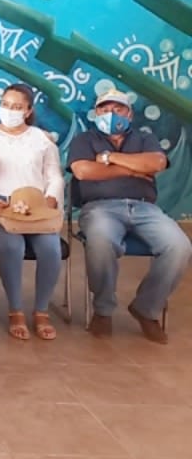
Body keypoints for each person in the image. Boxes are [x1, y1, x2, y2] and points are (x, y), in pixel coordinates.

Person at [68, 86, 191, 344]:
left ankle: (147, 308)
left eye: (118, 108)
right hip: (100, 207)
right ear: (96, 114)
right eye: (104, 109)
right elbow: (83, 171)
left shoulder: (145, 138)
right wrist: (133, 170)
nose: (111, 114)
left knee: (180, 246)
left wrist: (108, 157)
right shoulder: (84, 140)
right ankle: (103, 310)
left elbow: (157, 163)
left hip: (145, 208)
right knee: (101, 239)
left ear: (130, 114)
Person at [0, 83, 64, 340]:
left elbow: (54, 176)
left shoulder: (43, 139)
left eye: (17, 106)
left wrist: (51, 198)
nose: (10, 110)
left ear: (28, 111)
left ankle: (42, 311)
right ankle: (16, 310)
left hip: (37, 207)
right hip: (0, 207)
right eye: (6, 105)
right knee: (13, 246)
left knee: (51, 249)